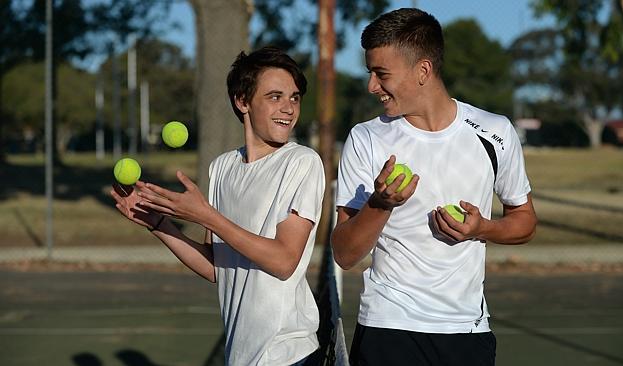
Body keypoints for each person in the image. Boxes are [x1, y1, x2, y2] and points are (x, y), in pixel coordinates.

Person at [331, 8, 537, 366]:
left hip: (468, 333)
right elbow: (345, 254)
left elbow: (525, 220)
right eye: (370, 73)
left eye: (381, 74)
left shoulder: (495, 132)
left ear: (423, 71)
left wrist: (482, 229)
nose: (371, 86)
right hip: (387, 327)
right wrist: (381, 204)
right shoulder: (365, 139)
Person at [111, 47, 325, 366]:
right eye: (275, 96)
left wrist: (205, 215)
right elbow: (217, 267)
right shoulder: (222, 168)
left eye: (294, 98)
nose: (289, 108)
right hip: (240, 353)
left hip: (287, 354)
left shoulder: (302, 162)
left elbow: (284, 260)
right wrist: (159, 224)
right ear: (242, 101)